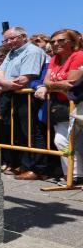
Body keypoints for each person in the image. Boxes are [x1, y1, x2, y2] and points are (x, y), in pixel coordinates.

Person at [0, 27, 49, 180]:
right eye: (5, 40)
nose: (8, 42)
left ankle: (39, 169)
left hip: (27, 96)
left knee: (32, 132)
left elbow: (23, 80)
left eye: (12, 38)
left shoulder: (32, 51)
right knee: (20, 132)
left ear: (24, 36)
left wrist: (3, 84)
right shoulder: (11, 53)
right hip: (15, 95)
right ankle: (26, 164)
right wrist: (6, 83)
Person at [34, 29, 83, 183]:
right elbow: (48, 81)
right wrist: (54, 85)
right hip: (62, 105)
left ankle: (75, 175)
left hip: (78, 103)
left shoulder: (78, 55)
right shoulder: (55, 58)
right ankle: (74, 176)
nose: (56, 44)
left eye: (61, 40)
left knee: (74, 141)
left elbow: (72, 83)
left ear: (73, 42)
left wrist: (49, 86)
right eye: (53, 41)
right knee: (62, 140)